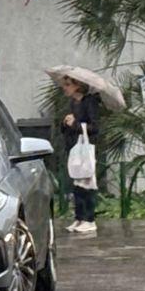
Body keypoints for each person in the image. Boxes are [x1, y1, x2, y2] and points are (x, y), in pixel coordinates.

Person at [58, 76, 103, 235]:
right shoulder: (72, 103)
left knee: (87, 183)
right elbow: (67, 129)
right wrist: (66, 123)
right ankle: (79, 217)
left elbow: (94, 127)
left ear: (78, 86)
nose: (65, 88)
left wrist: (76, 124)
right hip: (74, 148)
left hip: (85, 148)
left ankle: (89, 219)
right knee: (77, 184)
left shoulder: (89, 102)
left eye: (68, 85)